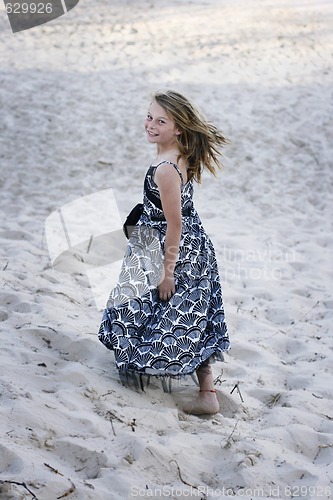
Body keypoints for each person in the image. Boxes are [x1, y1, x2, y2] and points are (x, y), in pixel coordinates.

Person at [98, 90, 230, 415]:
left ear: (179, 128)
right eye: (149, 116)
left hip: (171, 249)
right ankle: (205, 389)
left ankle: (206, 394)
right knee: (189, 312)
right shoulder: (177, 154)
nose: (151, 125)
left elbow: (174, 223)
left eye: (161, 121)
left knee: (167, 307)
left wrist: (167, 271)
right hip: (180, 243)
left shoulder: (166, 168)